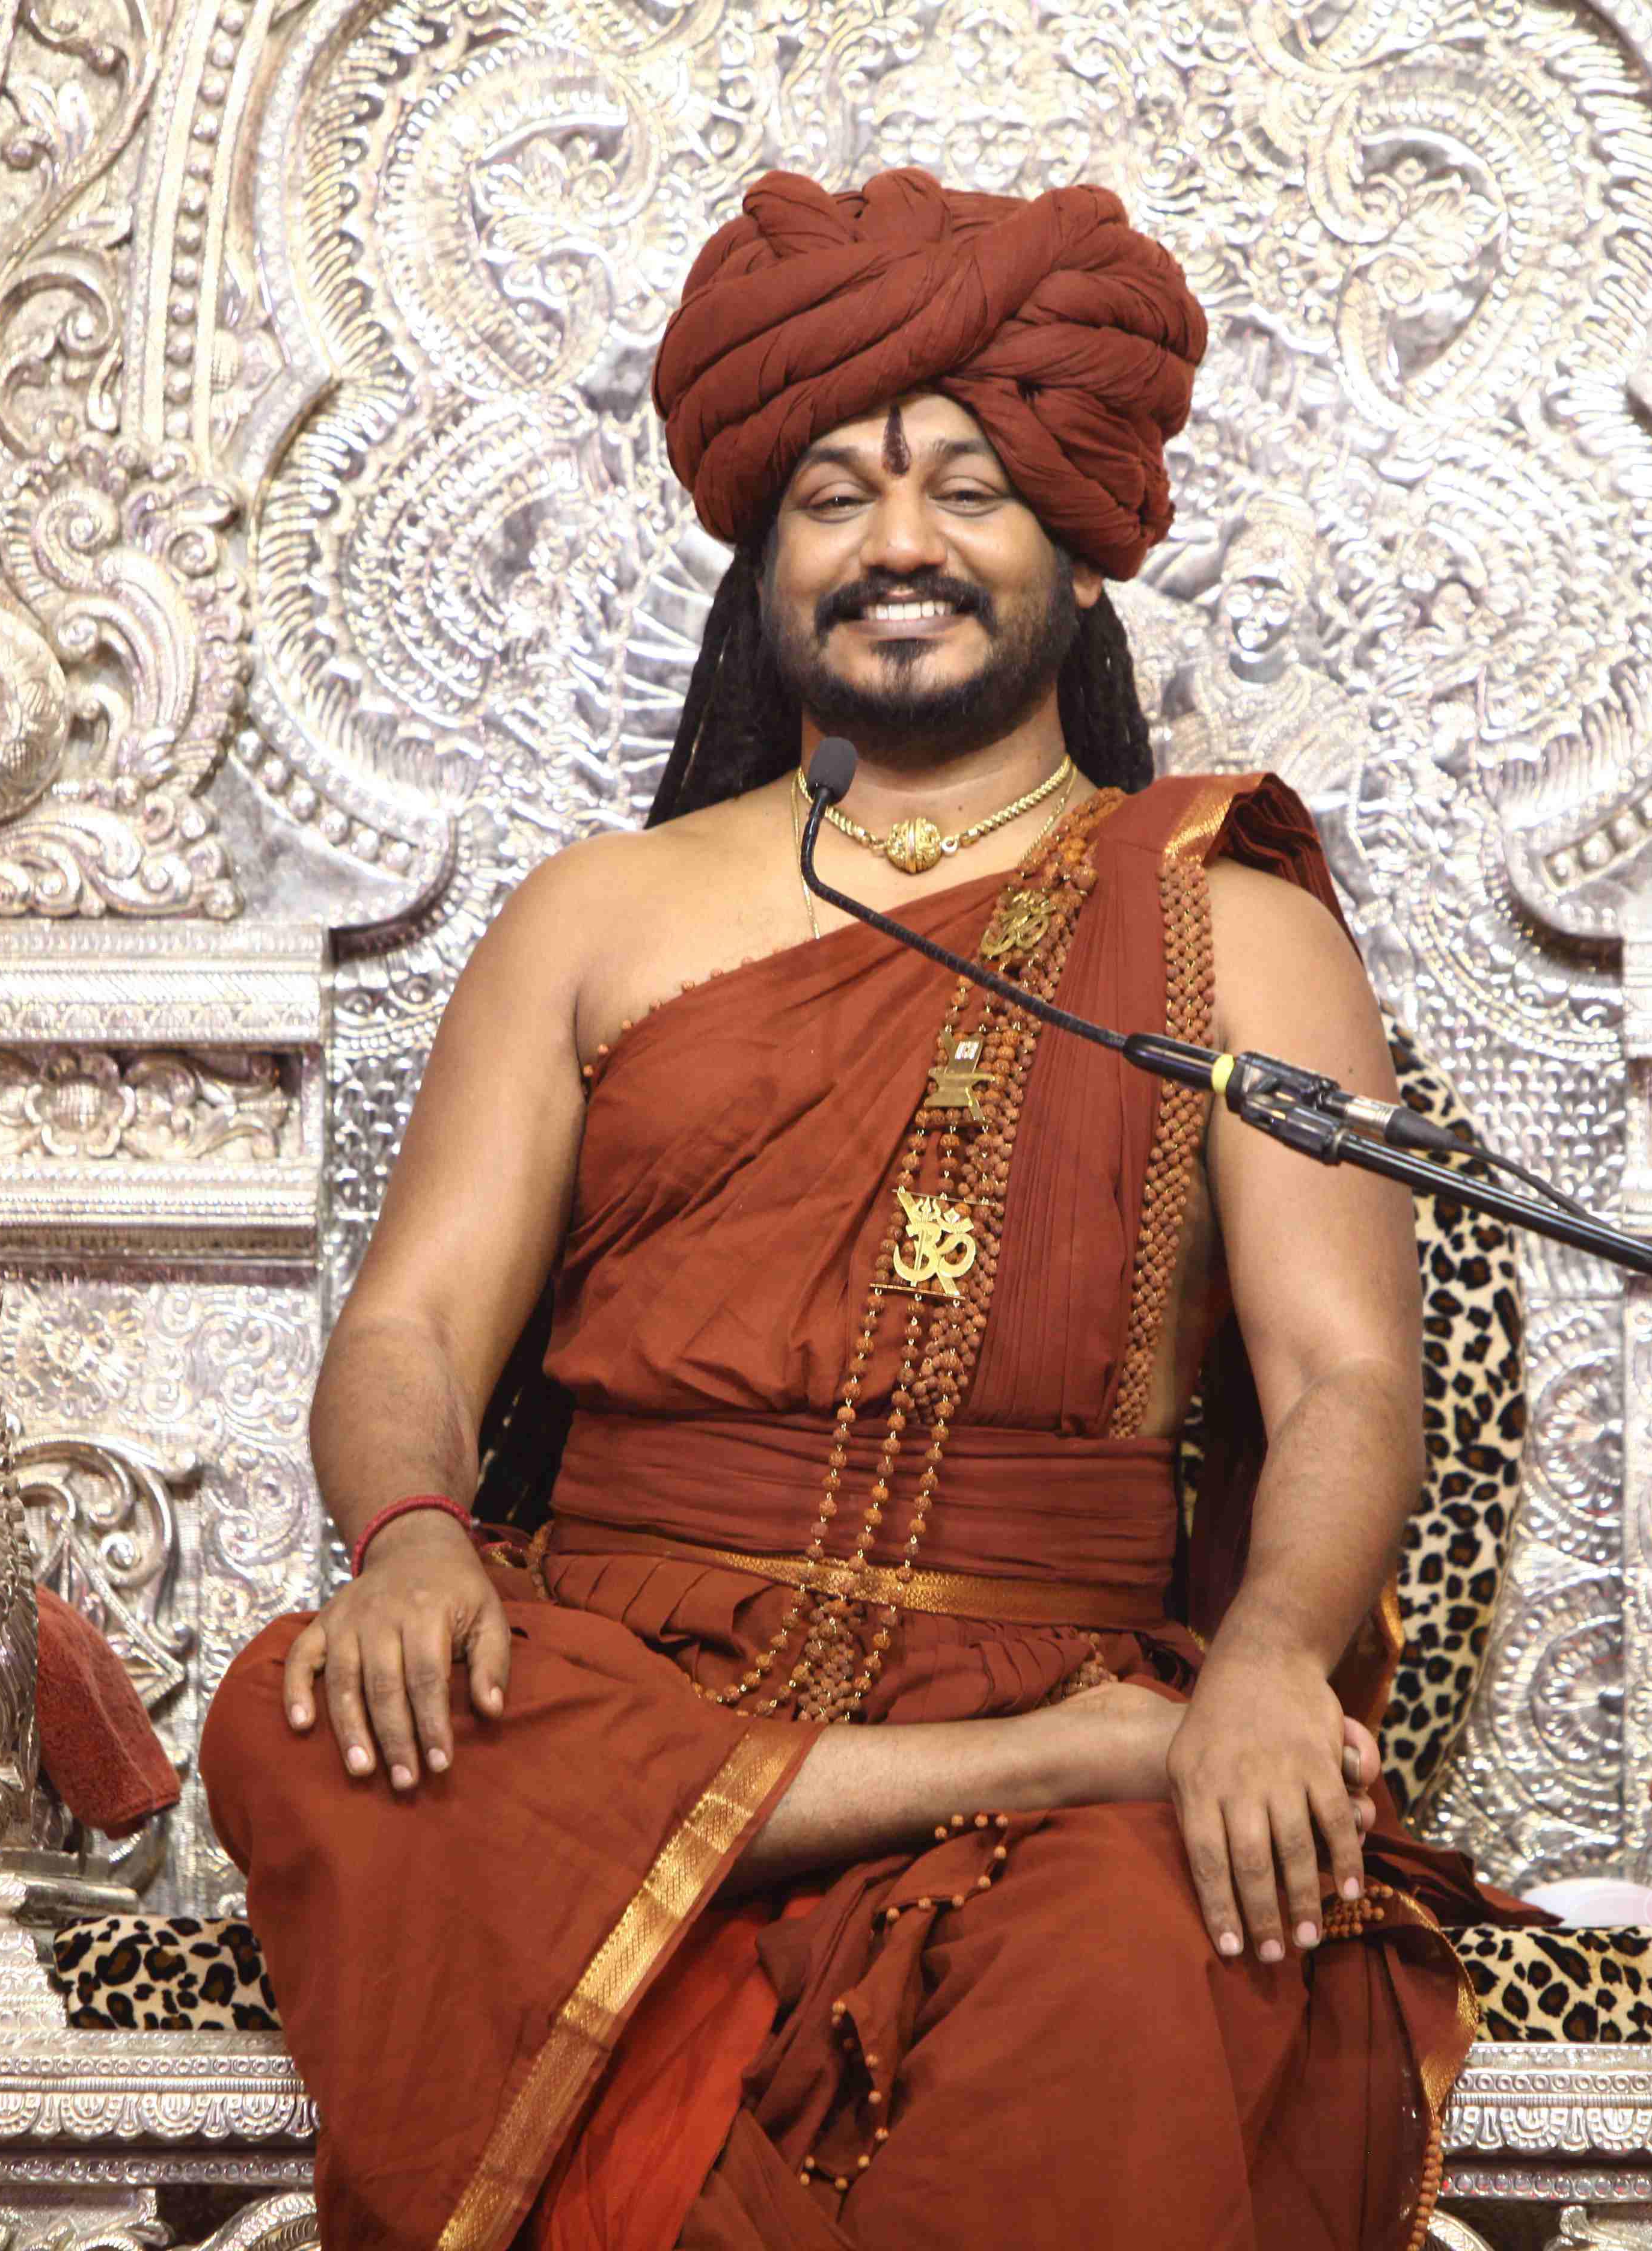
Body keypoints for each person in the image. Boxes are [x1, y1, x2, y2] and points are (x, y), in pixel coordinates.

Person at [199, 167, 1520, 2251]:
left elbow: (1349, 1378)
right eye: (835, 496)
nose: (901, 543)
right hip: (623, 1676)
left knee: (1136, 1959)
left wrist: (1272, 1660)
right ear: (766, 565)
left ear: (1079, 554)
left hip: (1049, 1662)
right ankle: (1050, 1765)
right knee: (312, 1722)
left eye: (969, 491)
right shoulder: (600, 914)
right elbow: (411, 1330)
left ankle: (1059, 1771)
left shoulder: (1234, 924)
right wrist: (416, 1541)